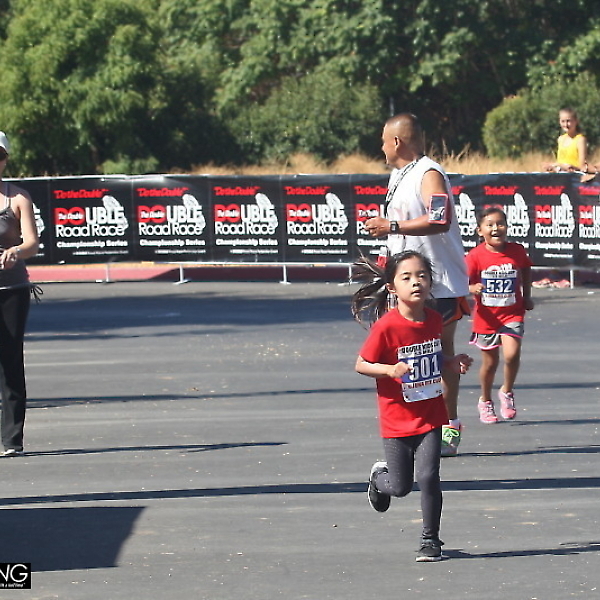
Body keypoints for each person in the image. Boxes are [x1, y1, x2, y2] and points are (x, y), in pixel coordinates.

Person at [352, 251, 472, 562]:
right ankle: (378, 480)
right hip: (397, 420)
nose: (416, 282)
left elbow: (434, 357)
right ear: (392, 287)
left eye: (422, 275)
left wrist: (451, 362)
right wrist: (389, 370)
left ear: (431, 282)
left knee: (430, 476)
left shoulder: (434, 320)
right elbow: (362, 364)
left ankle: (430, 540)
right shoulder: (387, 327)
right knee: (401, 486)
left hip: (431, 414)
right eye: (406, 277)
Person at [364, 113, 470, 457]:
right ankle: (417, 430)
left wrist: (392, 226)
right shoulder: (399, 175)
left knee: (439, 356)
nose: (381, 147)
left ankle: (449, 428)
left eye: (383, 140)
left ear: (397, 142)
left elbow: (440, 219)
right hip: (406, 281)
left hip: (438, 284)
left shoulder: (428, 173)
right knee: (407, 356)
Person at [466, 207, 534, 424]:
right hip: (487, 319)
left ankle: (506, 391)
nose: (496, 228)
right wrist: (472, 288)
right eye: (490, 225)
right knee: (490, 363)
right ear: (480, 231)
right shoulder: (475, 256)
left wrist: (527, 296)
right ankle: (485, 400)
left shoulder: (517, 251)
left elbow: (526, 270)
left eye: (500, 224)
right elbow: (462, 282)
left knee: (512, 355)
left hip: (512, 314)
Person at [0, 131, 40, 457]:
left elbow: (32, 243)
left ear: (5, 160)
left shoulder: (17, 198)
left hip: (11, 289)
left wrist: (16, 251)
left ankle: (12, 439)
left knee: (10, 360)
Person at [543, 108, 591, 178]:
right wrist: (552, 167)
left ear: (576, 121)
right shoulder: (560, 139)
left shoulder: (580, 139)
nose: (566, 124)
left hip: (574, 178)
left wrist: (569, 167)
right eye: (563, 121)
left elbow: (582, 166)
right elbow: (560, 161)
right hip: (561, 177)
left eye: (568, 121)